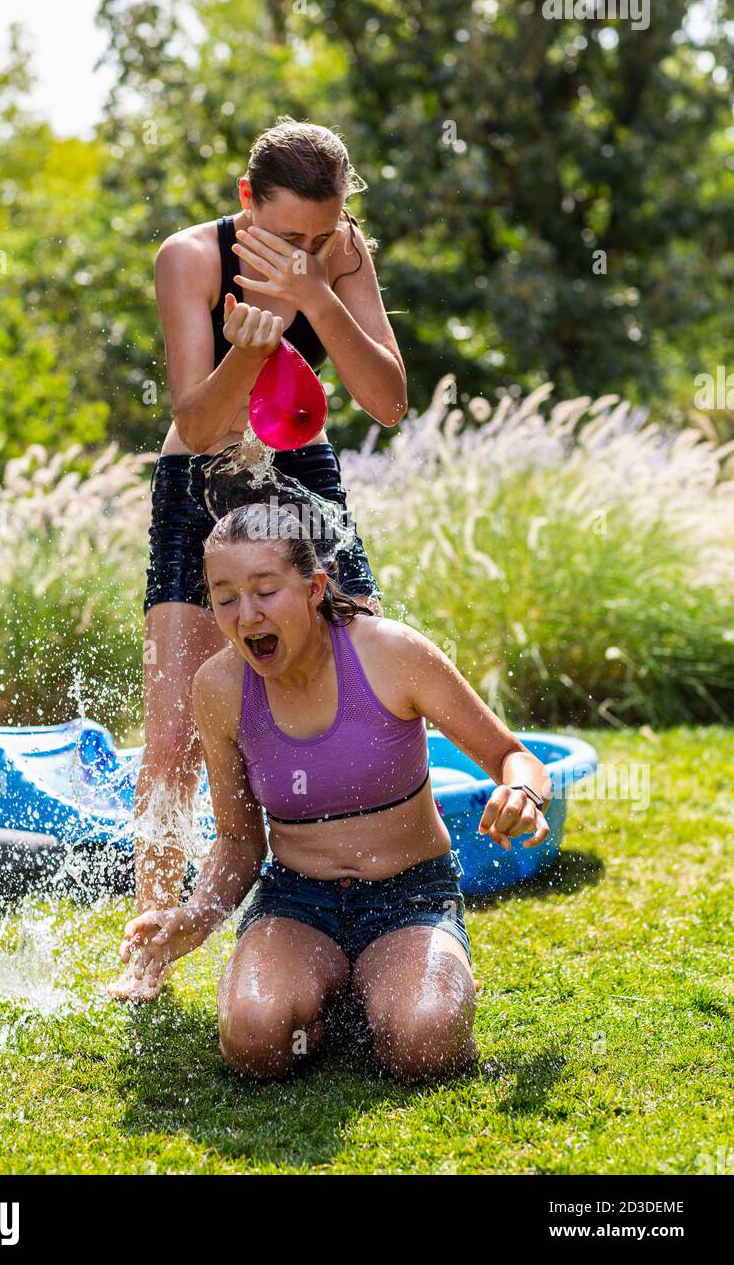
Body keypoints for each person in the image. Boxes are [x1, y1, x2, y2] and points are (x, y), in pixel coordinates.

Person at [109, 117, 408, 1000]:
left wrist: (316, 294)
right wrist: (253, 345)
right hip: (200, 476)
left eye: (323, 234)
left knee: (369, 680)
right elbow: (201, 426)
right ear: (246, 202)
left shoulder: (341, 256)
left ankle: (373, 916)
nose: (307, 250)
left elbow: (387, 401)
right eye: (287, 236)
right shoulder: (191, 260)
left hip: (300, 467)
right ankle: (149, 949)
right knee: (171, 738)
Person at [115, 504, 553, 1082]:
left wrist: (523, 791)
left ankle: (399, 982)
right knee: (253, 1041)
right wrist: (199, 913)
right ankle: (336, 992)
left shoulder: (390, 654)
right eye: (225, 597)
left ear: (315, 588)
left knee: (424, 1048)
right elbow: (241, 839)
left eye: (266, 591)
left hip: (409, 898)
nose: (246, 616)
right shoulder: (219, 688)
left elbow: (512, 756)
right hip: (297, 903)